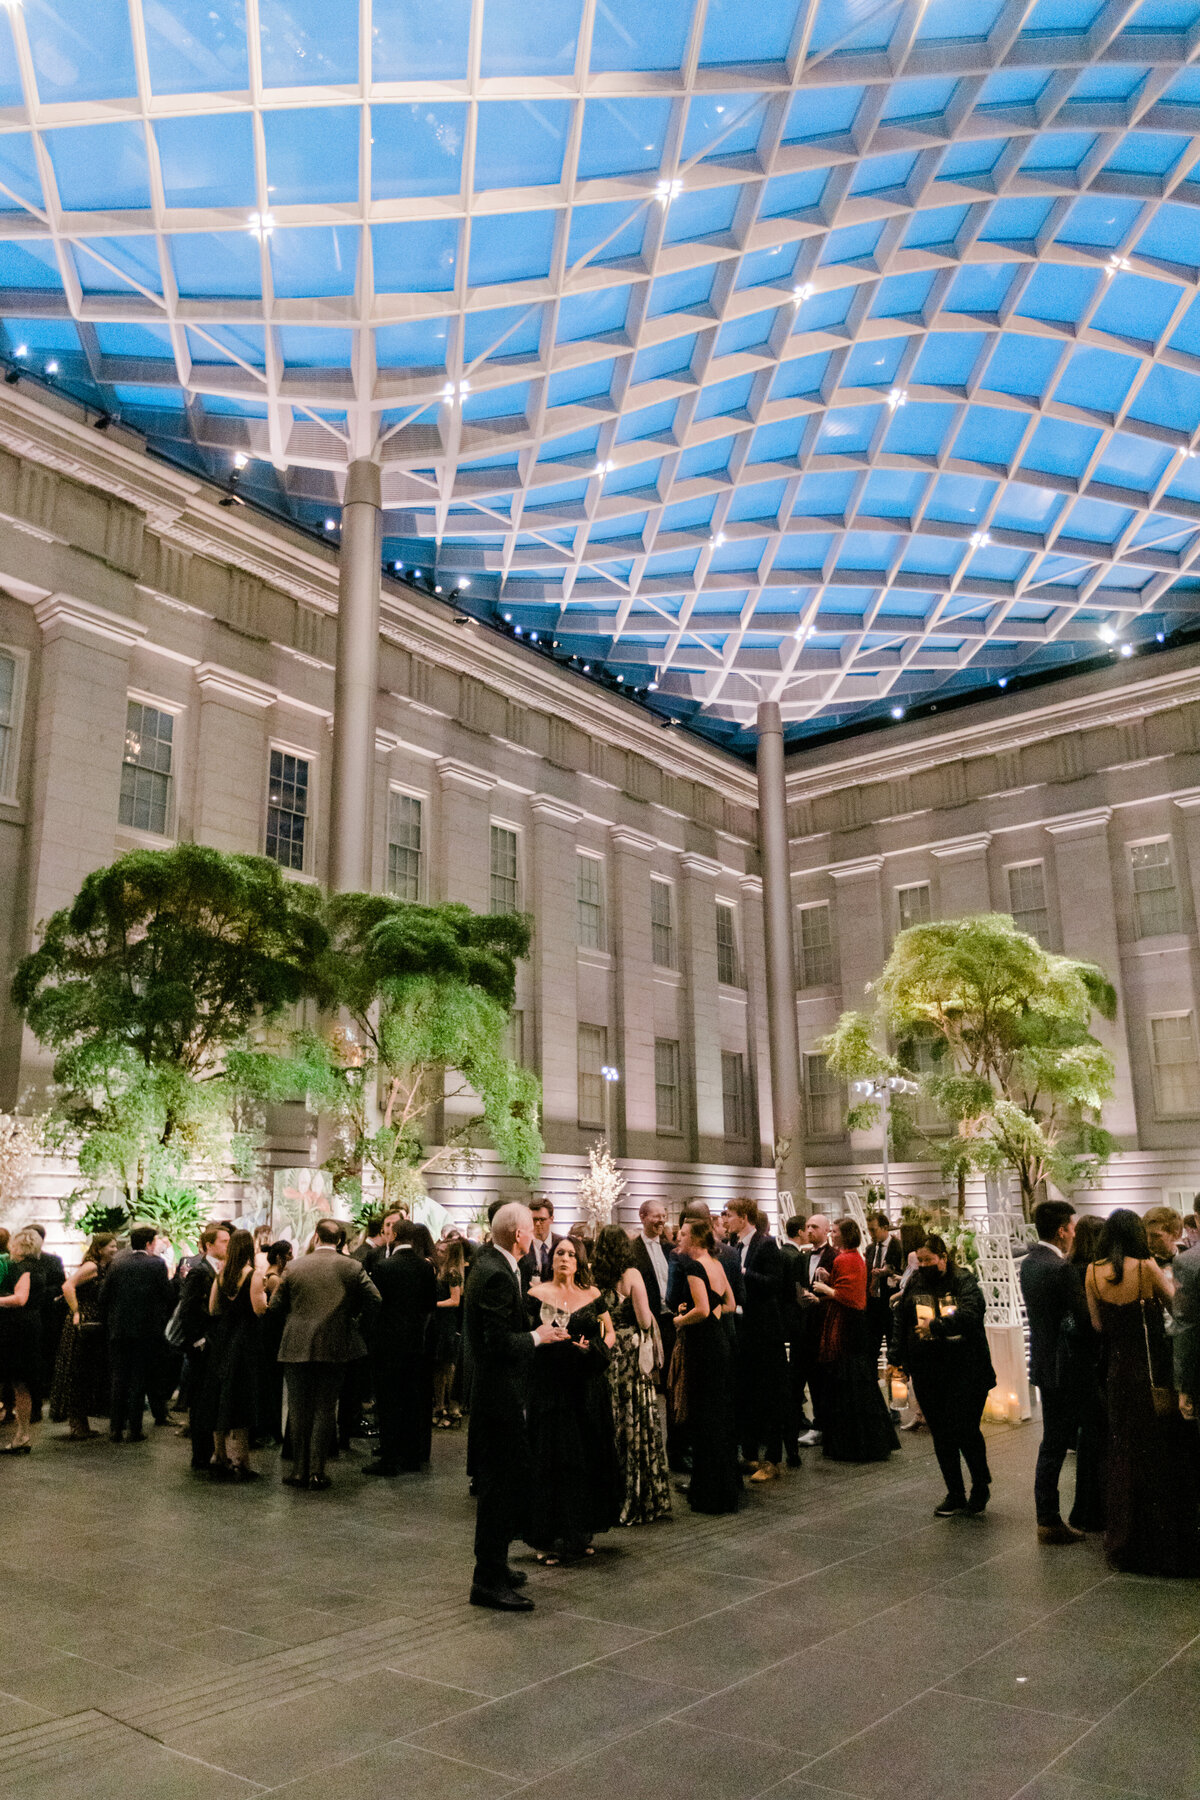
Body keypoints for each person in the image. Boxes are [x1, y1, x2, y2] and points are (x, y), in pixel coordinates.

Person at [463, 1201, 570, 1611]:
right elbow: (496, 1344)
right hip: (497, 1399)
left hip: (502, 1394)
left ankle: (496, 1566)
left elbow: (509, 1327)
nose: (534, 1235)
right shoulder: (494, 1273)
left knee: (505, 1485)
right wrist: (538, 1337)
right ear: (518, 1234)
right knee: (498, 1489)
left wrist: (537, 1331)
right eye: (530, 1228)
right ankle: (487, 1579)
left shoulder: (497, 1264)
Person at [1085, 1208, 1199, 1577]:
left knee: (1123, 1449)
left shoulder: (1091, 1272)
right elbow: (1178, 1307)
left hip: (1117, 1373)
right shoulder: (1145, 1267)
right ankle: (1160, 1539)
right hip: (1152, 1371)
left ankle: (1123, 1537)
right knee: (1156, 1452)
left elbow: (1097, 1324)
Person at [526, 1237, 621, 1563]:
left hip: (586, 1386)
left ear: (579, 1260)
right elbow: (526, 1336)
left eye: (570, 1253)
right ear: (552, 1260)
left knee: (585, 1457)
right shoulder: (536, 1295)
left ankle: (579, 1532)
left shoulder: (592, 1295)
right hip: (551, 1387)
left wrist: (596, 1349)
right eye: (559, 1253)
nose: (565, 1258)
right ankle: (549, 1535)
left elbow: (609, 1332)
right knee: (553, 1457)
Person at [269, 1217, 381, 1491]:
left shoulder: (294, 1267)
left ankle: (298, 1471)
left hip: (295, 1344)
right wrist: (354, 1323)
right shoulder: (352, 1266)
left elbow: (274, 1307)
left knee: (298, 1408)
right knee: (324, 1409)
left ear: (316, 1237)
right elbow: (375, 1299)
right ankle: (318, 1472)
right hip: (335, 1344)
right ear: (340, 1241)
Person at [891, 1234, 995, 1517]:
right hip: (928, 1370)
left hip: (965, 1369)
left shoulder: (963, 1280)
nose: (923, 1265)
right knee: (942, 1435)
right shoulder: (915, 1281)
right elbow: (901, 1319)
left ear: (943, 1258)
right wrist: (896, 1358)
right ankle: (955, 1492)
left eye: (928, 1260)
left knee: (965, 1430)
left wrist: (936, 1327)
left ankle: (980, 1485)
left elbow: (972, 1313)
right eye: (919, 1260)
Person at [1019, 1198, 1090, 1545]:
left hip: (1045, 1361)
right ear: (1063, 1230)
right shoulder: (1059, 1268)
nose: (1074, 1234)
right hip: (1066, 1364)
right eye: (1073, 1227)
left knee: (1053, 1442)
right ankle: (1049, 1519)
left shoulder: (1031, 1263)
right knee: (1057, 1443)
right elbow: (1082, 1319)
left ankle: (1047, 1517)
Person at [591, 1225, 671, 1526]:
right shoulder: (632, 1275)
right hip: (631, 1353)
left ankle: (610, 1495)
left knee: (611, 1419)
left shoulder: (593, 1278)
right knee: (636, 1419)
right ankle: (640, 1495)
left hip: (606, 1351)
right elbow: (643, 1318)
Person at [813, 1217, 898, 1463]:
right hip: (851, 1325)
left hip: (846, 1327)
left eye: (835, 1231)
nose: (832, 1234)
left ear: (845, 1235)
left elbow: (850, 1296)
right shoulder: (854, 1258)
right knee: (858, 1382)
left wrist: (826, 1288)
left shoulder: (846, 1258)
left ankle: (853, 1443)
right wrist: (829, 1278)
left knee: (847, 1381)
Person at [672, 1215, 741, 1515]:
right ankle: (724, 1486)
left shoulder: (693, 1266)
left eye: (684, 1234)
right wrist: (708, 1313)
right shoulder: (717, 1263)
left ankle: (709, 1492)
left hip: (703, 1347)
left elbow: (701, 1309)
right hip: (721, 1343)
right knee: (719, 1416)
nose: (679, 1238)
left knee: (704, 1418)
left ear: (697, 1239)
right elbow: (729, 1304)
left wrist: (679, 1319)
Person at [365, 1219, 438, 1477]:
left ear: (394, 1235)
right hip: (415, 1343)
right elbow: (430, 1305)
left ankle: (389, 1457)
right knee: (410, 1398)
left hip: (387, 1343)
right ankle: (411, 1456)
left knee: (387, 1400)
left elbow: (375, 1306)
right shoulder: (425, 1268)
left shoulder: (384, 1267)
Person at [724, 1197, 787, 1483]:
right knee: (746, 1392)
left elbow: (775, 1283)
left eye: (730, 1214)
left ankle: (773, 1459)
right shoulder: (736, 1245)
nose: (726, 1219)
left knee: (770, 1394)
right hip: (743, 1326)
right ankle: (749, 1455)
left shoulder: (766, 1243)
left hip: (764, 1329)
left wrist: (746, 1274)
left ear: (745, 1217)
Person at [203, 1228, 268, 1481]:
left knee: (220, 1399)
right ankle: (241, 1461)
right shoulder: (253, 1275)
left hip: (222, 1341)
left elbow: (212, 1308)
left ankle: (219, 1456)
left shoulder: (220, 1274)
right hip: (244, 1344)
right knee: (241, 1400)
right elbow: (258, 1309)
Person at [101, 1225, 172, 1444]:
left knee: (119, 1379)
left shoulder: (117, 1264)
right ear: (150, 1243)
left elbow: (104, 1296)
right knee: (138, 1379)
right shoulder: (157, 1264)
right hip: (146, 1331)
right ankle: (134, 1429)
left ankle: (115, 1429)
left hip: (119, 1330)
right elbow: (167, 1296)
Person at [50, 1232, 117, 1440]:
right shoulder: (92, 1267)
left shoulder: (102, 1267)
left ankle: (80, 1423)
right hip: (84, 1322)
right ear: (99, 1248)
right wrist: (77, 1311)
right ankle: (77, 1423)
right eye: (111, 1246)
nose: (115, 1250)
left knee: (84, 1371)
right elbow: (68, 1285)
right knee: (77, 1370)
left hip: (92, 1321)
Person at [1064, 1214, 1107, 1533]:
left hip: (1074, 1360)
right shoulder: (1090, 1273)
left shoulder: (1068, 1269)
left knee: (1088, 1434)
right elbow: (1089, 1322)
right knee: (1097, 1433)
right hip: (1092, 1360)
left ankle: (1086, 1508)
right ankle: (1092, 1509)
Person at [178, 1223, 229, 1471]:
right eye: (224, 1241)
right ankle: (201, 1456)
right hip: (202, 1346)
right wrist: (198, 1341)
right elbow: (187, 1310)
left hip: (214, 1344)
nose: (227, 1246)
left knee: (209, 1400)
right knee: (200, 1401)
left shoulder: (219, 1269)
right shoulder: (200, 1272)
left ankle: (209, 1453)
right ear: (209, 1245)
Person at [0, 1225, 46, 1453]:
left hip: (17, 1329)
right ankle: (22, 1433)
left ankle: (22, 1434)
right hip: (30, 1326)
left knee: (18, 1382)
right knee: (21, 1384)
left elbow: (20, 1298)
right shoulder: (38, 1267)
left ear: (19, 1246)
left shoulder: (21, 1269)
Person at [794, 1214, 836, 1446]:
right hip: (805, 1323)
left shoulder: (833, 1256)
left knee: (823, 1378)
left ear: (826, 1230)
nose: (809, 1230)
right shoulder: (803, 1256)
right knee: (809, 1374)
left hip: (824, 1323)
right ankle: (816, 1422)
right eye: (807, 1226)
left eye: (814, 1227)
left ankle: (824, 1425)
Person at [26, 1224, 65, 1424]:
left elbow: (61, 1285)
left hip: (48, 1315)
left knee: (46, 1354)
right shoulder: (18, 1261)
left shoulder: (52, 1260)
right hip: (26, 1315)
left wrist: (44, 1294)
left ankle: (43, 1396)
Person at [431, 1235, 466, 1429]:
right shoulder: (440, 1270)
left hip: (447, 1323)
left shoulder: (452, 1273)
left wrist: (433, 1304)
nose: (438, 1253)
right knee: (439, 1367)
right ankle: (440, 1405)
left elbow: (455, 1300)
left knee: (446, 1366)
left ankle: (450, 1407)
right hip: (440, 1323)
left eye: (442, 1251)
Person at [864, 1213, 902, 1367]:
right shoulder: (871, 1248)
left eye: (873, 1230)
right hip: (873, 1303)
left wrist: (889, 1272)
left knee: (894, 1344)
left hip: (891, 1302)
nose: (871, 1234)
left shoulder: (897, 1246)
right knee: (871, 1346)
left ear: (885, 1228)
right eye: (869, 1231)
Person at [520, 1198, 563, 1288]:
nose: (537, 1224)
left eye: (542, 1219)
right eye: (534, 1219)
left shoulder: (562, 1244)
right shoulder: (521, 1245)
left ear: (551, 1219)